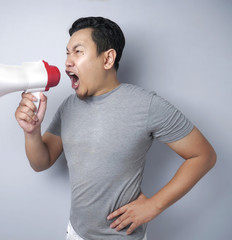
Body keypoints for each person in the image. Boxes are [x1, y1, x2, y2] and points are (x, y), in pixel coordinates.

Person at [15, 17, 216, 240]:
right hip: (76, 233)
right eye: (67, 53)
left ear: (108, 58)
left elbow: (204, 156)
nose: (67, 62)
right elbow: (41, 162)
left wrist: (153, 206)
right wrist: (31, 131)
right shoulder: (68, 107)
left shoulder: (146, 105)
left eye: (78, 52)